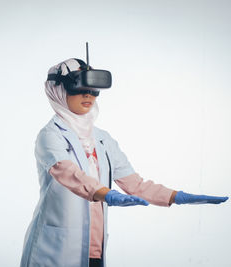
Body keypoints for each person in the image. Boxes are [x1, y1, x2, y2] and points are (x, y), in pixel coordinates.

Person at [19, 58, 228, 267]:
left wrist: (177, 197)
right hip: (56, 249)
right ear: (58, 90)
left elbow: (135, 185)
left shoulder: (102, 139)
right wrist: (107, 194)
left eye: (93, 90)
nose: (88, 95)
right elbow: (68, 173)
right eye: (80, 87)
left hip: (94, 250)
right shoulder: (50, 135)